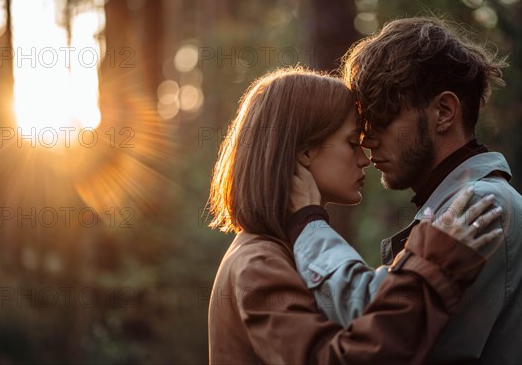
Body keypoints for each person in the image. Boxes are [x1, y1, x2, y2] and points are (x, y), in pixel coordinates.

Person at [289, 18, 522, 364]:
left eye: (384, 120)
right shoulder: (461, 202)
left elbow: (380, 333)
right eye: (365, 126)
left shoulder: (480, 205)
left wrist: (307, 225)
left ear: (444, 112)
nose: (368, 140)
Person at [207, 67, 503, 364]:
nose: (365, 159)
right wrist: (433, 270)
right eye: (352, 143)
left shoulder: (277, 252)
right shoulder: (258, 263)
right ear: (305, 152)